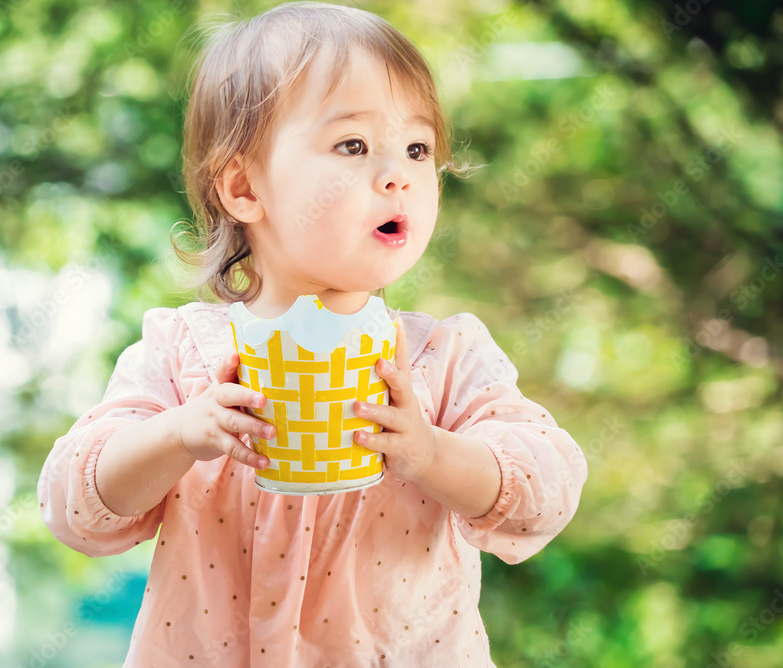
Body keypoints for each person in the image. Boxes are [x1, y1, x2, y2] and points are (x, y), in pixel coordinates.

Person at [37, 2, 589, 665]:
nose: (398, 174)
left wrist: (431, 454)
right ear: (244, 187)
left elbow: (546, 494)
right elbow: (74, 507)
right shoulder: (183, 356)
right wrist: (179, 434)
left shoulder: (444, 360)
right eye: (352, 145)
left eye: (416, 148)